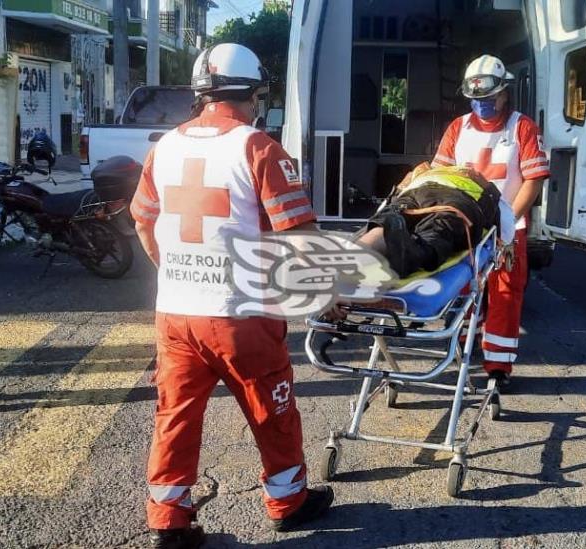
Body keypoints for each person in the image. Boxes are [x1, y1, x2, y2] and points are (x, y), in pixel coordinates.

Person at [131, 43, 334, 549]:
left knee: (175, 414)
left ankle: (169, 522)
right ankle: (288, 503)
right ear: (254, 93)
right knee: (272, 407)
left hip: (176, 312)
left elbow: (143, 220)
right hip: (241, 313)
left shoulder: (164, 147)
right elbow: (298, 236)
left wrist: (176, 270)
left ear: (201, 93)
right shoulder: (258, 147)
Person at [431, 54, 550, 388]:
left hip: (508, 229)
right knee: (463, 290)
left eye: (487, 98)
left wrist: (507, 222)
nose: (482, 105)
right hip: (466, 229)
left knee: (505, 296)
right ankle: (463, 351)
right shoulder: (458, 128)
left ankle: (498, 368)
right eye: (476, 100)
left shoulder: (523, 127)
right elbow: (440, 174)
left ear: (503, 93)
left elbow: (534, 180)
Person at [358, 163, 515, 277]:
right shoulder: (478, 178)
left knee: (390, 219)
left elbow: (392, 197)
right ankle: (412, 253)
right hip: (458, 198)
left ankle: (355, 257)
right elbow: (506, 228)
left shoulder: (422, 169)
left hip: (414, 192)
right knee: (441, 226)